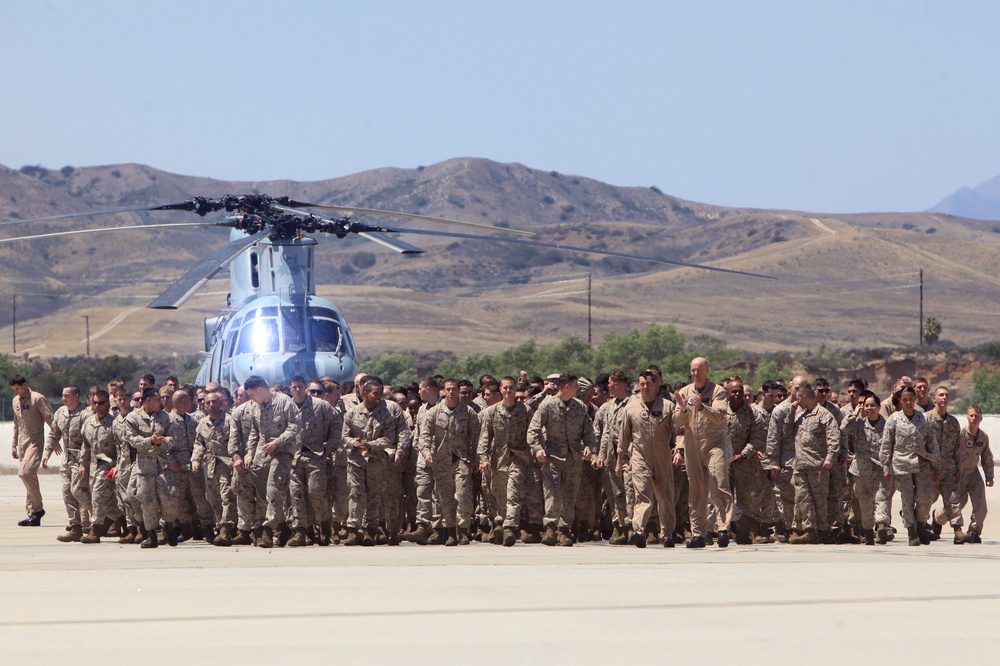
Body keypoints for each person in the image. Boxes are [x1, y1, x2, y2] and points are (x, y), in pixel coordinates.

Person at [528, 373, 595, 547]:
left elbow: (589, 432)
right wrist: (537, 449)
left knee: (570, 495)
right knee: (552, 494)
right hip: (552, 458)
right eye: (575, 386)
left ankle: (564, 530)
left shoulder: (579, 407)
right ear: (566, 386)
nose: (577, 389)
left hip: (573, 458)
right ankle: (550, 528)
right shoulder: (548, 405)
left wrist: (588, 447)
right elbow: (533, 430)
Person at [673, 358, 733, 548]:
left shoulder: (718, 391)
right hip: (692, 445)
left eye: (699, 370)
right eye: (693, 370)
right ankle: (698, 534)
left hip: (714, 444)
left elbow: (719, 417)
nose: (696, 374)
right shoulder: (684, 392)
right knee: (696, 490)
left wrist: (701, 406)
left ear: (707, 371)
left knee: (718, 483)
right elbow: (677, 422)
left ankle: (723, 528)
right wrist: (683, 408)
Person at [413, 378, 479, 546]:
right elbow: (424, 436)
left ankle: (463, 530)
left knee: (463, 494)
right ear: (443, 391)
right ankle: (450, 531)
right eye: (448, 389)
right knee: (445, 497)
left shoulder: (468, 412)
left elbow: (477, 437)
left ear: (458, 391)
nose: (451, 392)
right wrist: (426, 453)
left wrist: (477, 458)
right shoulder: (433, 412)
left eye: (454, 389)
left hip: (461, 458)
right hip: (441, 460)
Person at [617, 371, 676, 548]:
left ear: (657, 384)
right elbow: (624, 437)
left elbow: (678, 431)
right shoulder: (631, 408)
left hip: (662, 455)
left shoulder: (668, 406)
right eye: (641, 384)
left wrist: (679, 450)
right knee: (642, 494)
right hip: (640, 455)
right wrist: (619, 460)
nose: (644, 387)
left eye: (648, 384)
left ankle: (666, 534)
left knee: (665, 496)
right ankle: (639, 531)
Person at [477, 376, 534, 547]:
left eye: (511, 388)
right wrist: (484, 459)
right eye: (505, 388)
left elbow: (532, 434)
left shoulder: (525, 411)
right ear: (500, 390)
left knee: (513, 492)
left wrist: (535, 453)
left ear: (515, 389)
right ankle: (500, 523)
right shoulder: (492, 412)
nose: (508, 391)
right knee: (499, 493)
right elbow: (485, 438)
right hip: (498, 459)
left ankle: (510, 527)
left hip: (518, 457)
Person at [245, 375, 300, 548]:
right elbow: (255, 432)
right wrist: (249, 453)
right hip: (263, 452)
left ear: (260, 390)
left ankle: (267, 531)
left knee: (274, 490)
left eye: (252, 395)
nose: (251, 399)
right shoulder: (255, 407)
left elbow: (295, 426)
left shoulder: (284, 402)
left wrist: (278, 442)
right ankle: (284, 527)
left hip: (282, 451)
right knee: (265, 494)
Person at [286, 376, 342, 547]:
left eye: (300, 386)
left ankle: (325, 525)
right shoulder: (286, 407)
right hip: (294, 457)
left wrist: (331, 444)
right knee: (296, 495)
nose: (297, 390)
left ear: (305, 388)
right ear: (290, 389)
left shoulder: (320, 405)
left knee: (316, 493)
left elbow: (337, 422)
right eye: (294, 387)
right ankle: (301, 532)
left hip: (315, 455)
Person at [880, 386, 939, 547]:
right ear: (900, 400)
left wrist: (936, 466)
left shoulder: (924, 419)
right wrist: (885, 467)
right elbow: (886, 445)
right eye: (905, 399)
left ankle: (921, 525)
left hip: (922, 463)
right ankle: (911, 531)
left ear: (915, 400)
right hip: (901, 464)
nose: (908, 402)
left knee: (925, 498)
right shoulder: (893, 419)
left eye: (911, 399)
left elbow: (932, 443)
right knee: (907, 498)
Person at [126, 387, 179, 548]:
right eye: (157, 399)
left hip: (163, 465)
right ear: (148, 400)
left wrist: (162, 441)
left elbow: (173, 438)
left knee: (169, 496)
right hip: (145, 467)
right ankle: (151, 535)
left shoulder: (165, 417)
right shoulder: (133, 418)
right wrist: (149, 441)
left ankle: (169, 525)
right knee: (147, 500)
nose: (161, 402)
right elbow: (131, 439)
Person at [787, 385, 841, 544]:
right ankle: (809, 530)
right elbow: (786, 431)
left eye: (798, 398)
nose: (795, 401)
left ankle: (823, 530)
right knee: (803, 498)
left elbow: (834, 438)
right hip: (801, 464)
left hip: (817, 465)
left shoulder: (824, 415)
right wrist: (791, 412)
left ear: (805, 397)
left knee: (820, 499)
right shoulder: (799, 414)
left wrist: (830, 457)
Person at [44, 385, 92, 543]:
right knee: (67, 492)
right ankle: (75, 527)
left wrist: (84, 462)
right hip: (67, 458)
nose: (63, 398)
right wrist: (47, 454)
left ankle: (99, 519)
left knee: (79, 491)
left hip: (81, 458)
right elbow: (53, 434)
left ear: (76, 396)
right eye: (63, 395)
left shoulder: (85, 415)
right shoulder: (60, 413)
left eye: (67, 396)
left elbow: (87, 441)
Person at [192, 391, 237, 546]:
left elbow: (236, 442)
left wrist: (236, 460)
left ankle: (226, 529)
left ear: (220, 403)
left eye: (214, 402)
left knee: (227, 497)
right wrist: (195, 461)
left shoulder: (230, 421)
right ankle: (220, 525)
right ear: (204, 405)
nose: (211, 405)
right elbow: (199, 444)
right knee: (214, 499)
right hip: (209, 467)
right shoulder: (202, 424)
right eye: (208, 402)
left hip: (226, 464)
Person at [9, 375, 54, 527]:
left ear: (24, 384)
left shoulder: (37, 398)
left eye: (18, 388)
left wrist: (55, 441)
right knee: (28, 476)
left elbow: (50, 418)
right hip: (22, 442)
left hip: (35, 440)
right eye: (14, 390)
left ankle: (38, 509)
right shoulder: (15, 401)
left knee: (26, 473)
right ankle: (32, 514)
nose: (17, 392)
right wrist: (14, 444)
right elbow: (16, 424)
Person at [841, 391, 885, 545]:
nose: (869, 408)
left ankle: (882, 525)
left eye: (872, 405)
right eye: (866, 405)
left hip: (881, 469)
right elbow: (844, 428)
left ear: (879, 407)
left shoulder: (886, 425)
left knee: (881, 499)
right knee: (865, 503)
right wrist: (855, 413)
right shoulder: (858, 424)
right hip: (861, 471)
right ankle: (868, 532)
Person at [79, 390, 122, 543]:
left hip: (109, 465)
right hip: (93, 466)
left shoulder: (114, 423)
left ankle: (95, 530)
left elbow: (121, 447)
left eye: (101, 403)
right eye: (95, 402)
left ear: (108, 404)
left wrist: (118, 466)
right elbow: (85, 446)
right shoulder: (89, 423)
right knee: (107, 502)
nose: (97, 406)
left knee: (98, 496)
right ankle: (124, 521)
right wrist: (83, 464)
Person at [926, 387, 964, 543]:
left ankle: (958, 530)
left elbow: (957, 448)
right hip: (929, 470)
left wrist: (959, 469)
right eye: (940, 395)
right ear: (934, 398)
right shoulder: (926, 419)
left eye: (946, 396)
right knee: (925, 500)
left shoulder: (953, 422)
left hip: (949, 470)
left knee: (953, 500)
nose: (944, 398)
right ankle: (920, 527)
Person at [955, 406, 994, 543]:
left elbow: (987, 457)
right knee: (956, 504)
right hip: (959, 473)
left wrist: (989, 476)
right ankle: (937, 518)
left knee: (981, 503)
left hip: (973, 472)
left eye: (976, 416)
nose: (973, 418)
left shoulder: (983, 437)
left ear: (981, 419)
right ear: (967, 417)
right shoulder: (960, 434)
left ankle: (974, 530)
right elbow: (951, 454)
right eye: (971, 416)